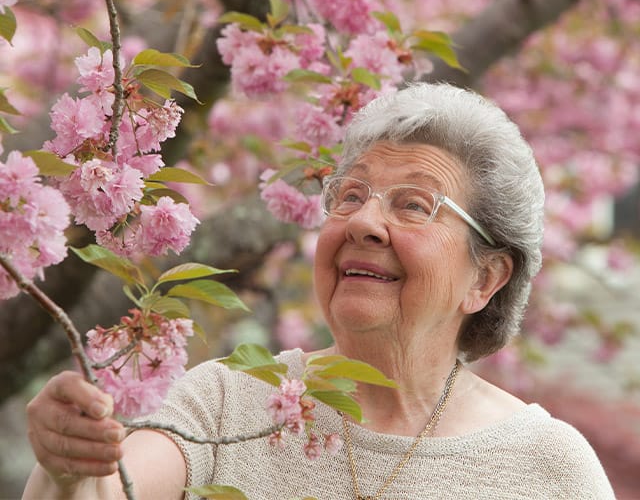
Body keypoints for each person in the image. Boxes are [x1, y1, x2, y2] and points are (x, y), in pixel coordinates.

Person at [23, 82, 615, 500]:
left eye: (414, 204)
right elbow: (111, 490)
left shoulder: (547, 468)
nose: (362, 222)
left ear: (484, 278)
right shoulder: (229, 400)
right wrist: (68, 467)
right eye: (350, 196)